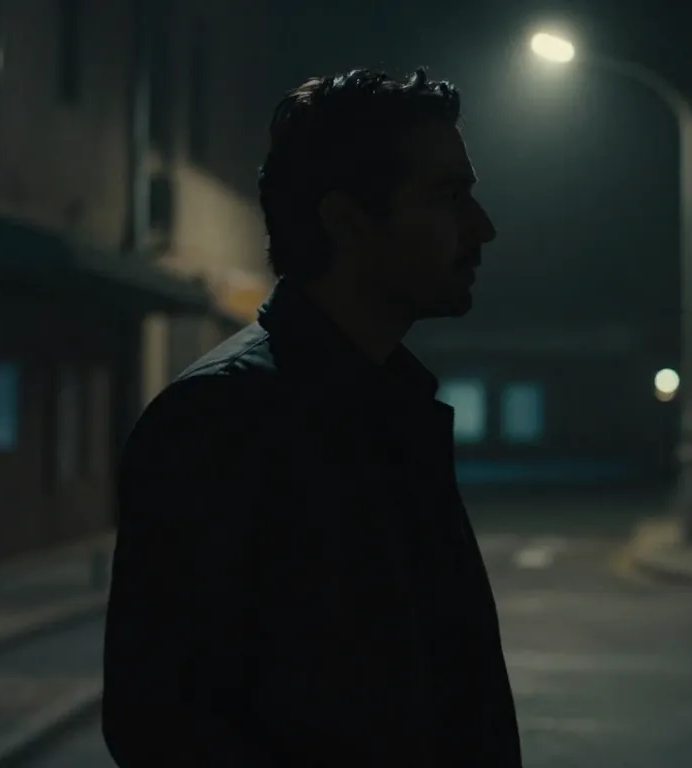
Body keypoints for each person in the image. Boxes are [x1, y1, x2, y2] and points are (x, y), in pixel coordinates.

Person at [102, 69, 521, 767]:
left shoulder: (390, 405)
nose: (482, 228)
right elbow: (162, 722)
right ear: (346, 221)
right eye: (448, 197)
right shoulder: (222, 421)